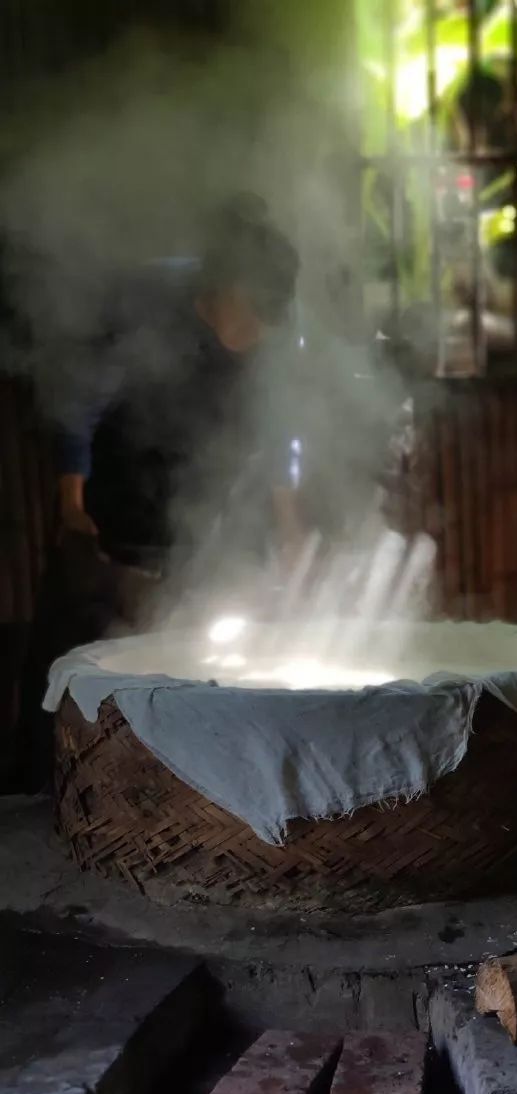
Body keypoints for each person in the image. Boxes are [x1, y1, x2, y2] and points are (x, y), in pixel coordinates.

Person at [10, 192, 302, 790]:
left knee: (187, 644)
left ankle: (163, 784)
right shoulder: (146, 302)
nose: (259, 332)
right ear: (227, 291)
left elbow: (276, 429)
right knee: (78, 650)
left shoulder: (262, 339)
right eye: (252, 316)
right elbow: (80, 402)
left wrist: (291, 527)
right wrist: (72, 500)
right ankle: (40, 782)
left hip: (192, 507)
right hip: (112, 499)